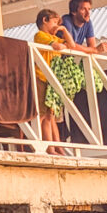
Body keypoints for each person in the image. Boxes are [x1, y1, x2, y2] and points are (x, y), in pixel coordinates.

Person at [33, 9, 76, 154]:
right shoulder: (40, 35)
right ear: (45, 20)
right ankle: (33, 142)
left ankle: (51, 148)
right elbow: (57, 46)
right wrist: (61, 44)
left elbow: (72, 46)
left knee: (49, 115)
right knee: (41, 114)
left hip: (51, 80)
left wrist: (63, 29)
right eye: (54, 22)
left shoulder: (55, 36)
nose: (56, 26)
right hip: (41, 77)